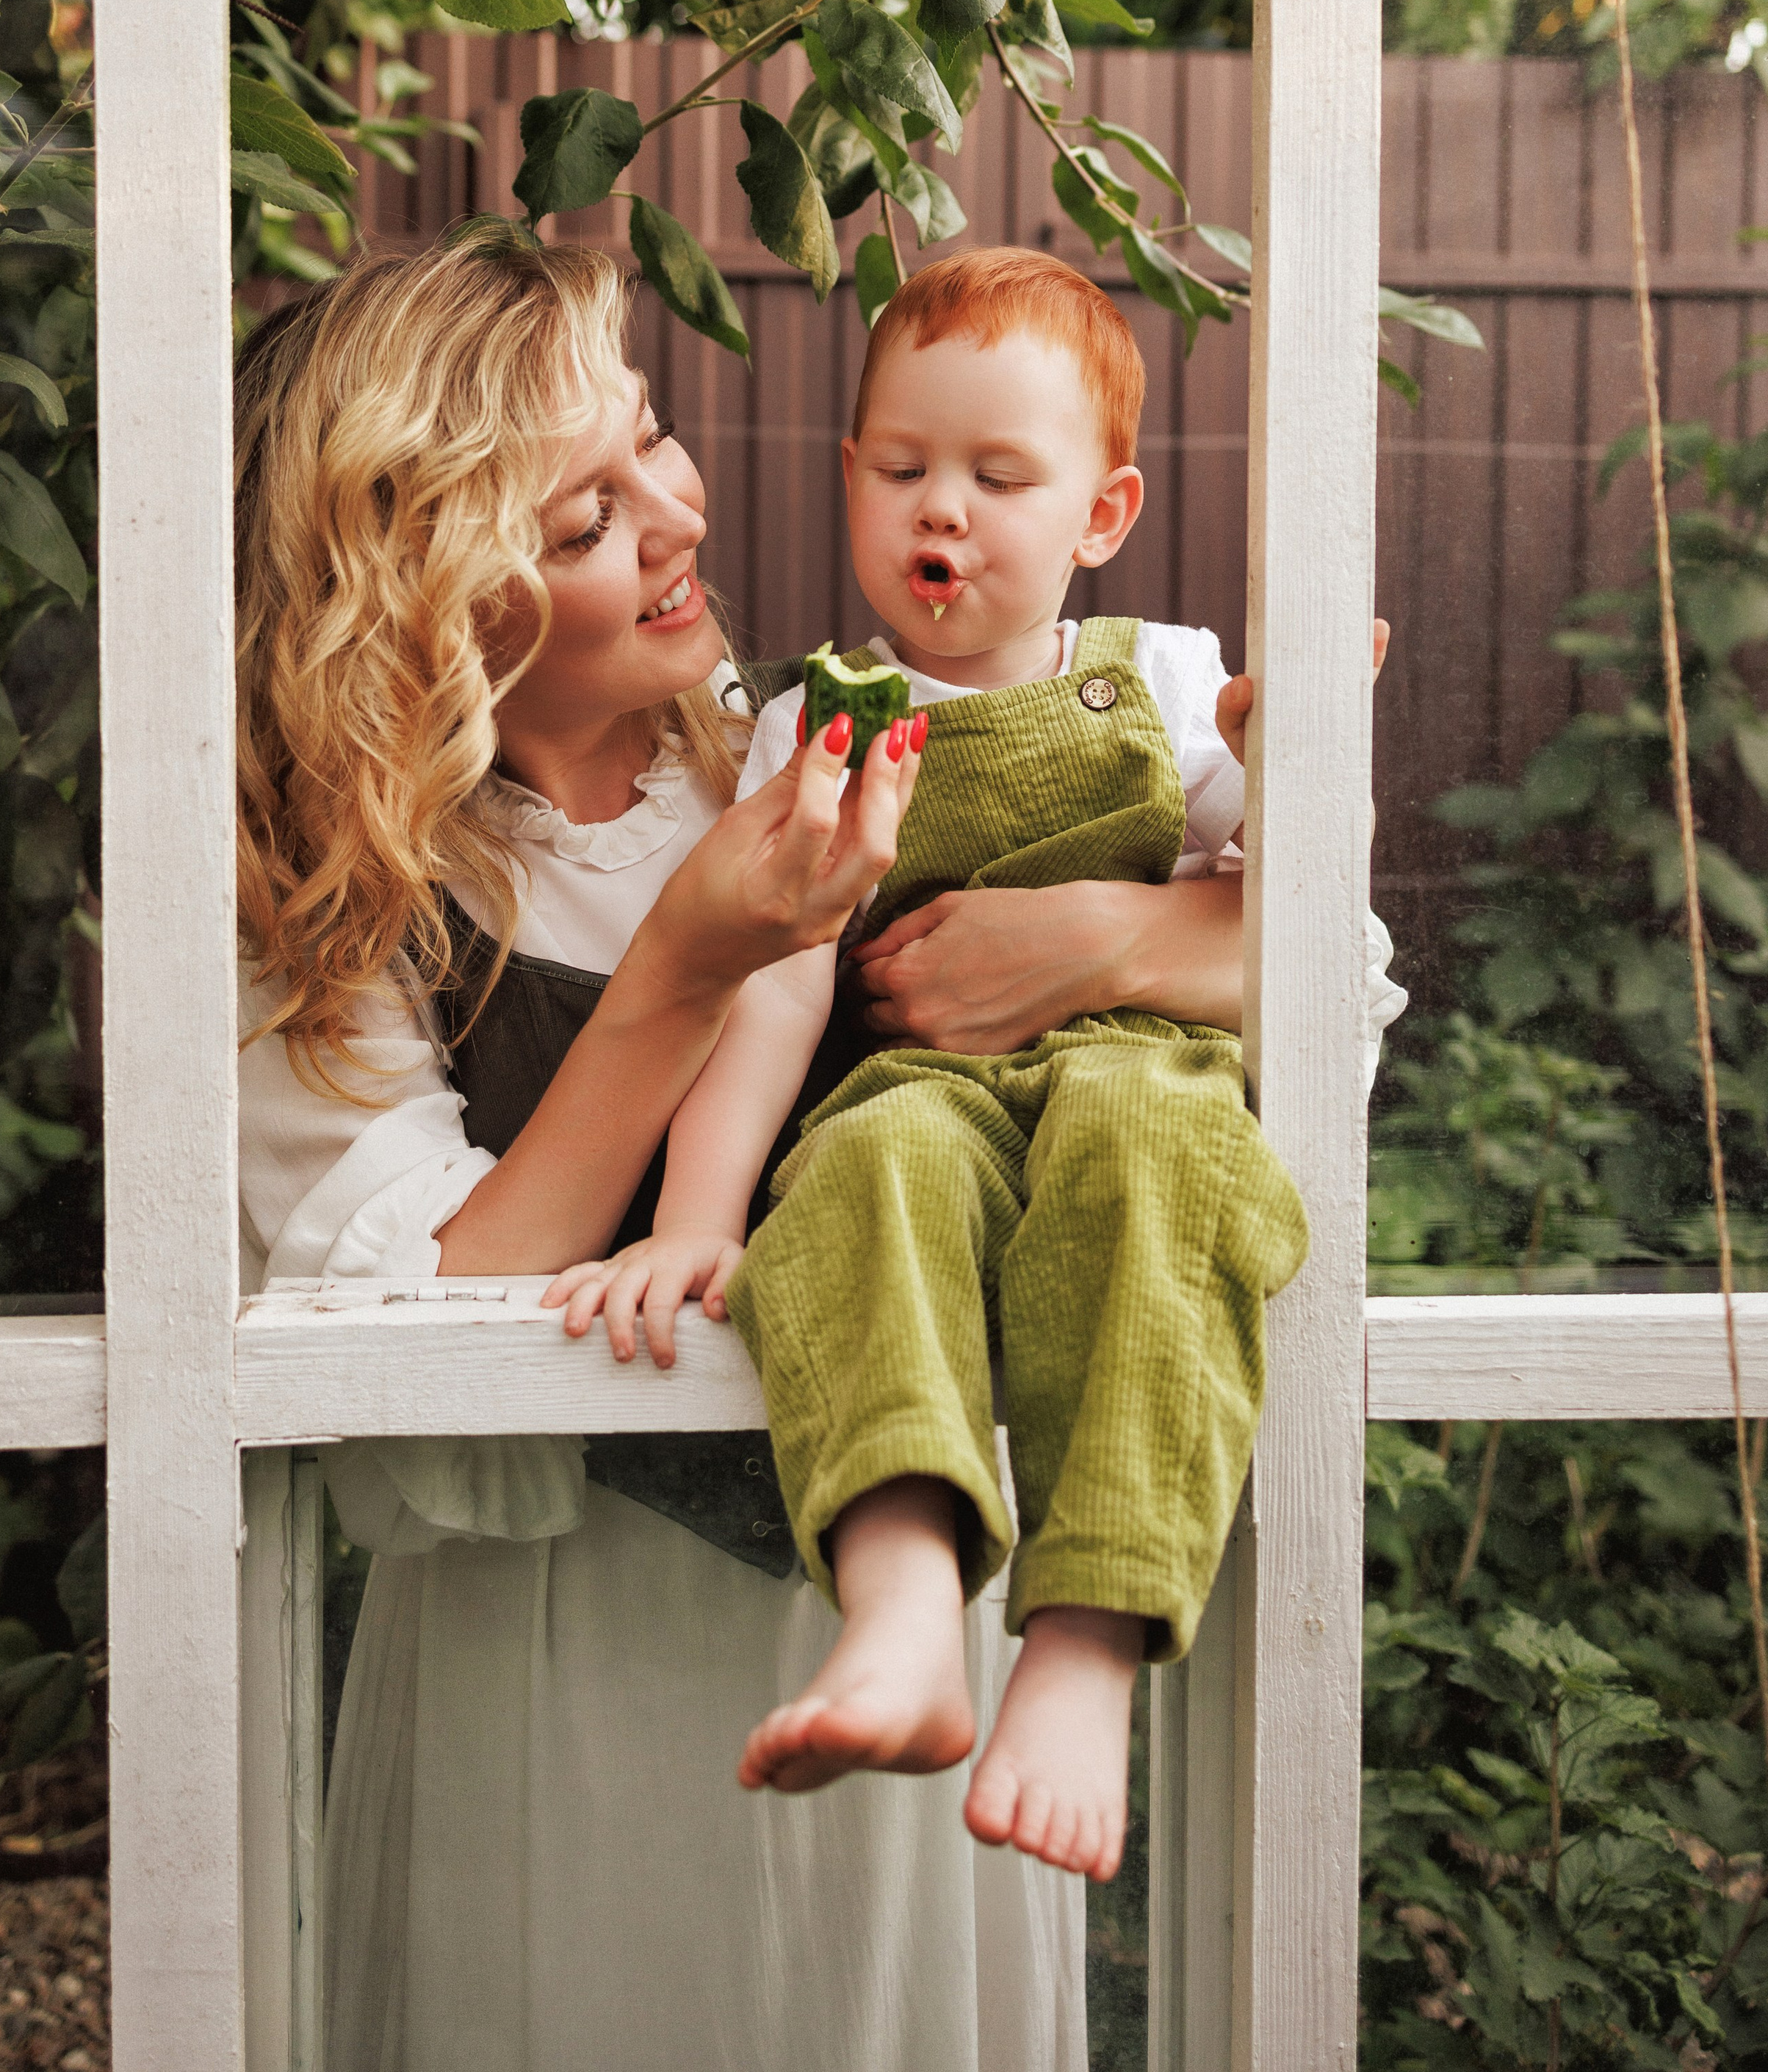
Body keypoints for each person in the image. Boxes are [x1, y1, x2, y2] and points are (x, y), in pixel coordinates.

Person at [234, 238, 1116, 2072]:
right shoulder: (319, 908)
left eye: (651, 441)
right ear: (423, 600)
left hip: (892, 1610)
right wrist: (685, 963)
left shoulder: (832, 743)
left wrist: (1117, 943)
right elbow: (417, 1328)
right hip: (546, 1676)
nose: (674, 512)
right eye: (583, 519)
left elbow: (1307, 1002)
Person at [547, 249, 1404, 1889]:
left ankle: (1081, 1649)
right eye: (900, 468)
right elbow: (777, 995)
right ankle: (902, 1610)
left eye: (997, 477)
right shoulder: (822, 717)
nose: (941, 510)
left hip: (1137, 1068)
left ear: (1100, 512)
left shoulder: (1159, 677)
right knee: (859, 1179)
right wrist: (700, 1211)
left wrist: (1301, 745)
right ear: (848, 476)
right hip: (918, 1086)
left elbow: (1294, 906)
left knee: (1158, 1166)